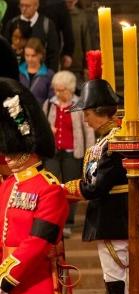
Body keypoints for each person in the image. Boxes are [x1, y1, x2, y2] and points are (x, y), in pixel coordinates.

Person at [0, 77, 68, 294]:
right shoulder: (8, 185)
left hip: (37, 283)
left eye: (12, 151)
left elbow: (38, 242)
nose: (7, 158)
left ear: (29, 149)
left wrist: (7, 274)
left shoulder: (50, 189)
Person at [63, 79, 128, 294]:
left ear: (97, 112)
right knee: (112, 279)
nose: (85, 118)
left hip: (113, 218)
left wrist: (64, 189)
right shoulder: (105, 141)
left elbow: (96, 186)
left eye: (87, 113)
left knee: (117, 280)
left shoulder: (115, 143)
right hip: (107, 218)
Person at [42, 70, 94, 237]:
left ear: (70, 89)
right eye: (56, 90)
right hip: (53, 153)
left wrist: (90, 154)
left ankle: (68, 223)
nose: (58, 93)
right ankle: (52, 220)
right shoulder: (49, 104)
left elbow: (88, 131)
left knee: (71, 188)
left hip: (73, 152)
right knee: (52, 187)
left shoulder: (79, 106)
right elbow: (42, 125)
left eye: (62, 90)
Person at [3, 0, 60, 72]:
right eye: (21, 5)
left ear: (36, 6)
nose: (24, 9)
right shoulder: (12, 23)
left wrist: (51, 74)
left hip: (41, 73)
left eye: (27, 6)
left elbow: (53, 53)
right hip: (16, 72)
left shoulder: (47, 24)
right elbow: (5, 50)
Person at [19, 37, 54, 104]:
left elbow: (52, 100)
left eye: (33, 55)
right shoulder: (18, 71)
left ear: (40, 55)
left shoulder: (49, 74)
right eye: (27, 55)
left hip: (40, 113)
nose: (29, 59)